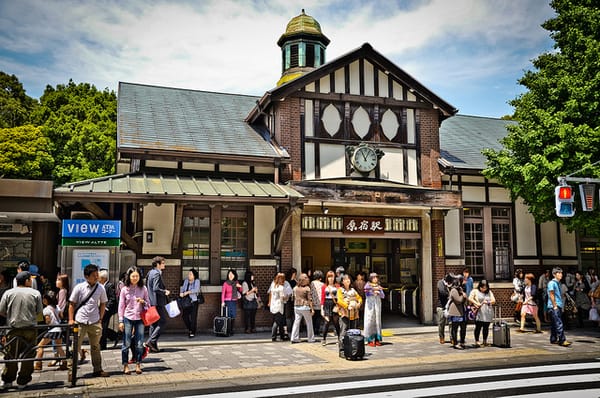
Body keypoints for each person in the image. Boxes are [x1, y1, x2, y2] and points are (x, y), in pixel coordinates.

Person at [0, 271, 42, 390]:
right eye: (30, 279)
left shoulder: (8, 293)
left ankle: (8, 380)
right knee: (28, 356)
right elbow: (39, 312)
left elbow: (1, 310)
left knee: (11, 355)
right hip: (30, 329)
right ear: (27, 280)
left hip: (12, 329)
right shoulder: (35, 293)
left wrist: (11, 315)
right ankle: (23, 381)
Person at [68, 263, 110, 377]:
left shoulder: (100, 288)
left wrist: (100, 318)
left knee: (96, 347)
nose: (96, 277)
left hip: (95, 321)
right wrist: (71, 319)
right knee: (75, 347)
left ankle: (97, 369)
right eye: (94, 275)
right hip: (80, 321)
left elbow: (103, 303)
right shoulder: (79, 287)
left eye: (97, 274)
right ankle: (72, 372)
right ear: (86, 276)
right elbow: (72, 304)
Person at [118, 266, 149, 375]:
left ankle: (138, 364)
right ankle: (125, 365)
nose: (135, 278)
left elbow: (148, 305)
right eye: (133, 276)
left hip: (140, 318)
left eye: (137, 276)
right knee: (126, 343)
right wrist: (120, 320)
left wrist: (143, 302)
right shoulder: (124, 289)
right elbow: (121, 306)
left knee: (139, 343)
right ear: (129, 277)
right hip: (128, 317)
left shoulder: (143, 289)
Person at [34, 291, 67, 371]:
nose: (43, 300)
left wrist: (46, 322)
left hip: (52, 330)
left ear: (46, 300)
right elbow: (61, 316)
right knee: (59, 347)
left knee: (40, 346)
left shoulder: (46, 309)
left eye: (43, 299)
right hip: (59, 329)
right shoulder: (57, 307)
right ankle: (64, 363)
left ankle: (38, 364)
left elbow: (48, 320)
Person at [145, 256, 170, 353]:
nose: (164, 265)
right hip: (157, 302)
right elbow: (155, 288)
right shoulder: (156, 274)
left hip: (151, 302)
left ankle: (152, 347)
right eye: (163, 263)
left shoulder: (150, 273)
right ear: (158, 264)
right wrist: (165, 292)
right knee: (162, 321)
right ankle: (151, 341)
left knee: (153, 324)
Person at [337, 274, 362, 355]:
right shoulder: (340, 290)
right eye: (345, 279)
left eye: (348, 279)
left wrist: (359, 304)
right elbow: (339, 301)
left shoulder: (353, 290)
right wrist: (347, 306)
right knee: (343, 331)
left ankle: (352, 349)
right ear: (342, 281)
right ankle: (342, 350)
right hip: (344, 313)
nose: (347, 280)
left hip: (354, 314)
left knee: (353, 331)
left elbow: (359, 298)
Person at [547, 267, 571, 347]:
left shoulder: (558, 283)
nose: (561, 274)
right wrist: (555, 306)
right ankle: (562, 340)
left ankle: (553, 339)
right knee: (559, 323)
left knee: (554, 323)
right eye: (559, 273)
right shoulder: (552, 283)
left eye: (561, 273)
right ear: (554, 274)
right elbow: (551, 294)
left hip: (557, 305)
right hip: (554, 306)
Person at [468, 279, 495, 347]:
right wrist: (477, 303)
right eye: (482, 287)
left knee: (486, 327)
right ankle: (477, 341)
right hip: (479, 312)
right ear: (479, 286)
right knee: (478, 327)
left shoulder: (489, 292)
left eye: (485, 288)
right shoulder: (475, 291)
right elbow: (470, 298)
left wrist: (488, 302)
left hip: (487, 312)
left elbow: (493, 300)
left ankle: (485, 341)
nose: (483, 289)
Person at [290, 273, 316, 343]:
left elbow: (293, 297)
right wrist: (312, 309)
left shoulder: (295, 288)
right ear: (303, 280)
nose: (308, 279)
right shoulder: (307, 288)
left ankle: (294, 338)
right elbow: (309, 299)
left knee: (296, 322)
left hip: (296, 307)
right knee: (309, 323)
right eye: (306, 278)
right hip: (305, 306)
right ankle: (311, 338)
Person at [363, 272, 385, 347]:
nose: (375, 279)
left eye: (376, 277)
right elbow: (366, 293)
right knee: (369, 321)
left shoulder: (378, 286)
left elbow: (383, 296)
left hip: (377, 305)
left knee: (377, 321)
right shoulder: (367, 285)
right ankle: (369, 339)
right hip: (370, 305)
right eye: (373, 277)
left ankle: (377, 339)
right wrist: (373, 291)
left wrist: (379, 292)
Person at [268, 272, 290, 342]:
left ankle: (282, 335)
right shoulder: (281, 288)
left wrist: (269, 303)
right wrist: (286, 297)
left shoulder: (273, 286)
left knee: (279, 321)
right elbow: (282, 298)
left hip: (273, 305)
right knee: (277, 322)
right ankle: (273, 336)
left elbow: (270, 294)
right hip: (279, 305)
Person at [99, 269, 117, 350]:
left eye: (99, 277)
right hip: (101, 309)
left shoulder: (110, 285)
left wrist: (106, 308)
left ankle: (103, 345)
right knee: (102, 326)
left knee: (103, 326)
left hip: (107, 310)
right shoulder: (100, 285)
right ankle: (115, 336)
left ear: (103, 278)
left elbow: (112, 299)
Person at [320, 270, 340, 346]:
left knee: (336, 322)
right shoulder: (324, 286)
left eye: (332, 277)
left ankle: (339, 338)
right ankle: (324, 339)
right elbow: (322, 298)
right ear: (327, 278)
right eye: (329, 277)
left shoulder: (337, 286)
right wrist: (322, 308)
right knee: (326, 322)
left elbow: (340, 296)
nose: (330, 278)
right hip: (327, 304)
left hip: (335, 304)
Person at [447, 275, 467, 349]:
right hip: (455, 312)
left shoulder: (461, 289)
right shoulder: (453, 290)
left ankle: (462, 342)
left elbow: (464, 299)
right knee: (455, 328)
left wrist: (463, 295)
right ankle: (455, 343)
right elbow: (458, 300)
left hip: (462, 311)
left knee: (463, 328)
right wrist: (463, 295)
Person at [180, 268, 201, 338]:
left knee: (193, 317)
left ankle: (192, 332)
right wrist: (181, 293)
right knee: (184, 316)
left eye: (190, 274)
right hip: (186, 302)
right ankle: (190, 329)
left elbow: (196, 289)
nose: (189, 275)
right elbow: (182, 288)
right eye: (188, 274)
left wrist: (187, 292)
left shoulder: (197, 281)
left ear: (194, 275)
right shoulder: (186, 281)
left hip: (194, 301)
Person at [221, 269, 242, 334]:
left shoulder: (236, 282)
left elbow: (241, 290)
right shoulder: (226, 283)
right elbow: (223, 293)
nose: (230, 275)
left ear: (234, 275)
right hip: (227, 302)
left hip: (234, 301)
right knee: (228, 316)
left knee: (233, 316)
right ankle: (227, 330)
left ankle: (231, 329)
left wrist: (240, 286)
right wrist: (222, 302)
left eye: (232, 274)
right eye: (229, 274)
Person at [436, 274, 452, 344]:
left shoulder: (451, 284)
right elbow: (442, 292)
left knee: (451, 323)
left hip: (450, 307)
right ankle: (441, 337)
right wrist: (450, 294)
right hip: (441, 306)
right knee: (441, 323)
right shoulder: (440, 283)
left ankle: (452, 337)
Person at [310, 270, 324, 336]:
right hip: (319, 303)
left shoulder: (311, 283)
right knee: (318, 317)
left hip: (313, 303)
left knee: (313, 317)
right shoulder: (322, 284)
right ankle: (317, 330)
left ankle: (312, 329)